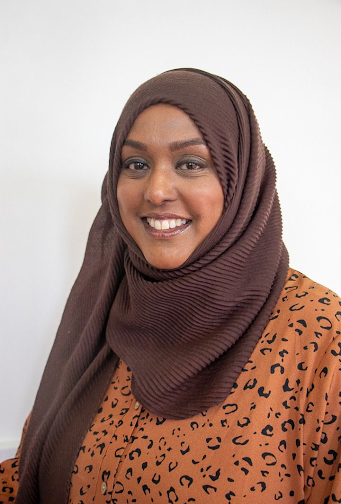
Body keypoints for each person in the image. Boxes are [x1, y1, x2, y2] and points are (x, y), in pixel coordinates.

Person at [1, 69, 340, 504]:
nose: (157, 190)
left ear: (242, 182)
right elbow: (32, 468)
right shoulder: (104, 311)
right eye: (136, 164)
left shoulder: (321, 338)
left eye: (191, 164)